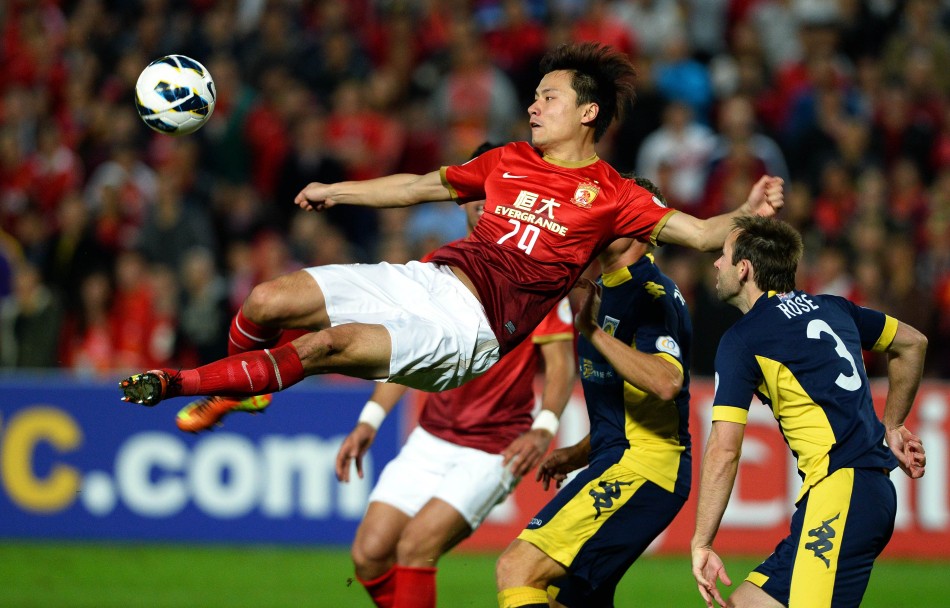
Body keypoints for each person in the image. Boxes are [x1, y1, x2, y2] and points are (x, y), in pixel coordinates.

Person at [119, 42, 783, 424]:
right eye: (535, 96)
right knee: (267, 301)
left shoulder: (614, 193)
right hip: (427, 278)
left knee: (327, 345)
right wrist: (334, 190)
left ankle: (187, 385)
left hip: (471, 331)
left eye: (547, 97)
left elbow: (700, 235)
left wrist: (748, 210)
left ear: (587, 111)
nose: (532, 105)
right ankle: (247, 388)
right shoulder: (506, 160)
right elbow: (416, 186)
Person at [332, 143, 576, 608]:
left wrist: (544, 429)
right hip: (432, 438)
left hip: (492, 450)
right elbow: (407, 359)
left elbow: (561, 363)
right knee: (368, 555)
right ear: (463, 201)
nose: (488, 203)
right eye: (479, 194)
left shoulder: (536, 275)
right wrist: (369, 420)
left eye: (498, 194)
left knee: (415, 548)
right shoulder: (440, 268)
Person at [690, 216, 928, 608]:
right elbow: (912, 343)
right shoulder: (834, 308)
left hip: (841, 493)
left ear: (744, 269)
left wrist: (702, 541)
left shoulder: (744, 338)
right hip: (861, 493)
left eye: (724, 255)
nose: (716, 264)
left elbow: (724, 450)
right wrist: (894, 424)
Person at [496, 177, 693, 608]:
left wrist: (591, 332)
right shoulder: (607, 289)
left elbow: (665, 381)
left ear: (640, 226)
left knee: (519, 569)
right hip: (623, 458)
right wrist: (579, 452)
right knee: (568, 599)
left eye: (616, 214)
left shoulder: (648, 293)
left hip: (644, 468)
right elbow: (626, 408)